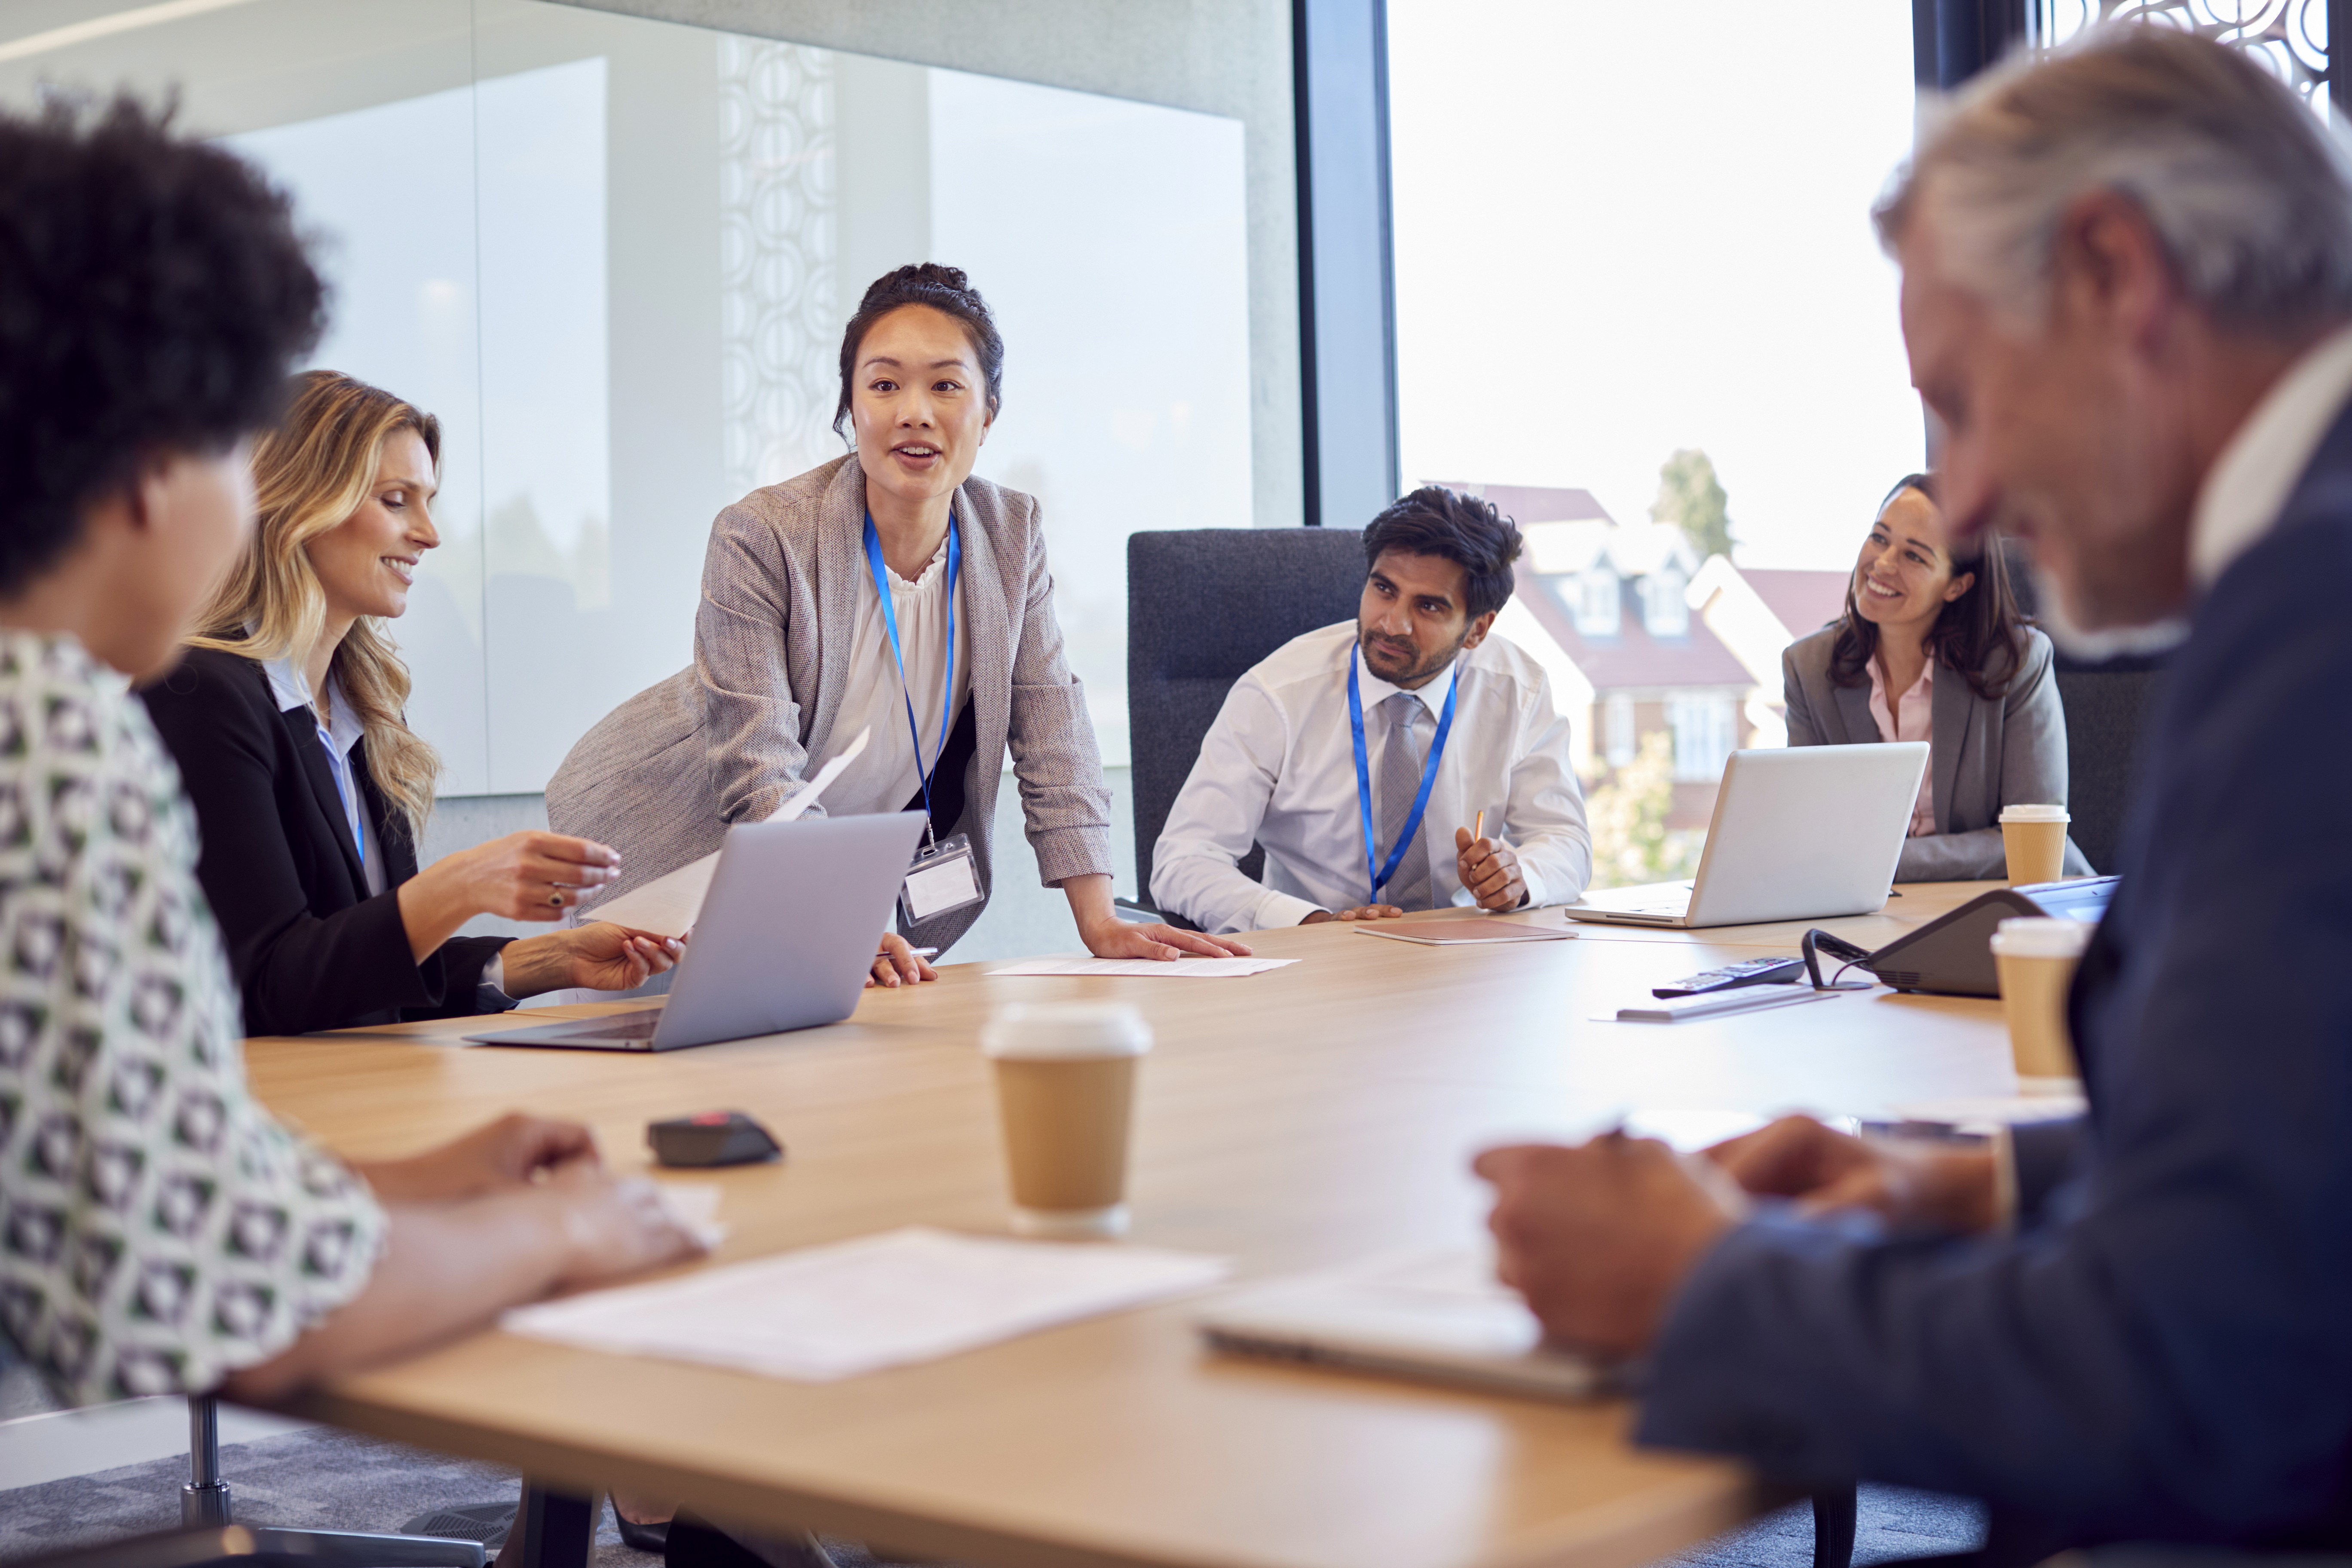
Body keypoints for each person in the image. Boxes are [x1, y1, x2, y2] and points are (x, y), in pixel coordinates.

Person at [1475, 26, 2352, 1556]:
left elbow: (2208, 1372)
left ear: (2113, 277)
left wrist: (1701, 1283)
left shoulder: (2315, 611)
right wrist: (1969, 1179)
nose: (1975, 497)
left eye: (1962, 400)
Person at [0, 96, 699, 1410]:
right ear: (159, 467)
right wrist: (562, 1231)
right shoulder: (53, 739)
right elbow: (191, 1285)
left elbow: (126, 1169)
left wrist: (421, 1180)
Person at [548, 264, 1248, 970]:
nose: (914, 410)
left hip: (804, 883)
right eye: (884, 385)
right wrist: (838, 923)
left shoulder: (1012, 534)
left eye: (946, 384)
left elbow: (1051, 729)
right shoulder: (762, 534)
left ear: (989, 410)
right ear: (851, 409)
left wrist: (1099, 921)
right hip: (660, 848)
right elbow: (758, 763)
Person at [138, 371, 687, 1036]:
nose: (428, 534)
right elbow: (268, 987)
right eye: (397, 501)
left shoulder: (362, 709)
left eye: (427, 502)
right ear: (299, 505)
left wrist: (553, 958)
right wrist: (459, 886)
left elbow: (367, 965)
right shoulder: (200, 696)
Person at [1150, 487, 1591, 933]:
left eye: (1428, 606)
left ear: (1477, 629)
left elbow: (1565, 840)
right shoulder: (1278, 693)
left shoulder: (1517, 690)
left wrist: (1520, 877)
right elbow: (1183, 862)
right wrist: (1312, 922)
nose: (1392, 623)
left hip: (1466, 956)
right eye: (1384, 589)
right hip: (1315, 961)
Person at [1783, 472, 2091, 880]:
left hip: (1999, 911)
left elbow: (2035, 840)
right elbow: (1810, 839)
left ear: (1957, 586)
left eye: (1914, 556)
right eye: (1879, 538)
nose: (1884, 563)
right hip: (1870, 916)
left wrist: (1883, 864)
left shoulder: (2017, 663)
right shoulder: (1808, 669)